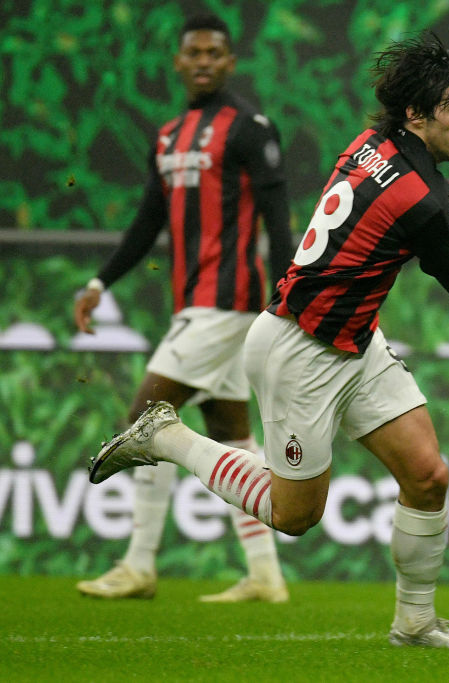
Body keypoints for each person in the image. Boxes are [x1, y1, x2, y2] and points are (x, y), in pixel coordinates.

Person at [87, 34, 449, 648]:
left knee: (429, 475)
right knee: (294, 516)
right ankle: (166, 437)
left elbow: (403, 214)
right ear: (417, 114)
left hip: (355, 342)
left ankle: (414, 623)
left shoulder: (373, 146)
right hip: (299, 352)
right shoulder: (424, 197)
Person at [74, 13, 292, 603]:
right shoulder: (170, 135)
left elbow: (277, 215)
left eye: (213, 52)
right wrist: (101, 281)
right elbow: (149, 221)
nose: (202, 61)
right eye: (192, 52)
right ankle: (265, 573)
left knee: (146, 416)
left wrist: (288, 293)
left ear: (229, 62)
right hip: (197, 302)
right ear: (177, 61)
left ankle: (139, 563)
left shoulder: (249, 127)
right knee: (230, 433)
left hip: (229, 300)